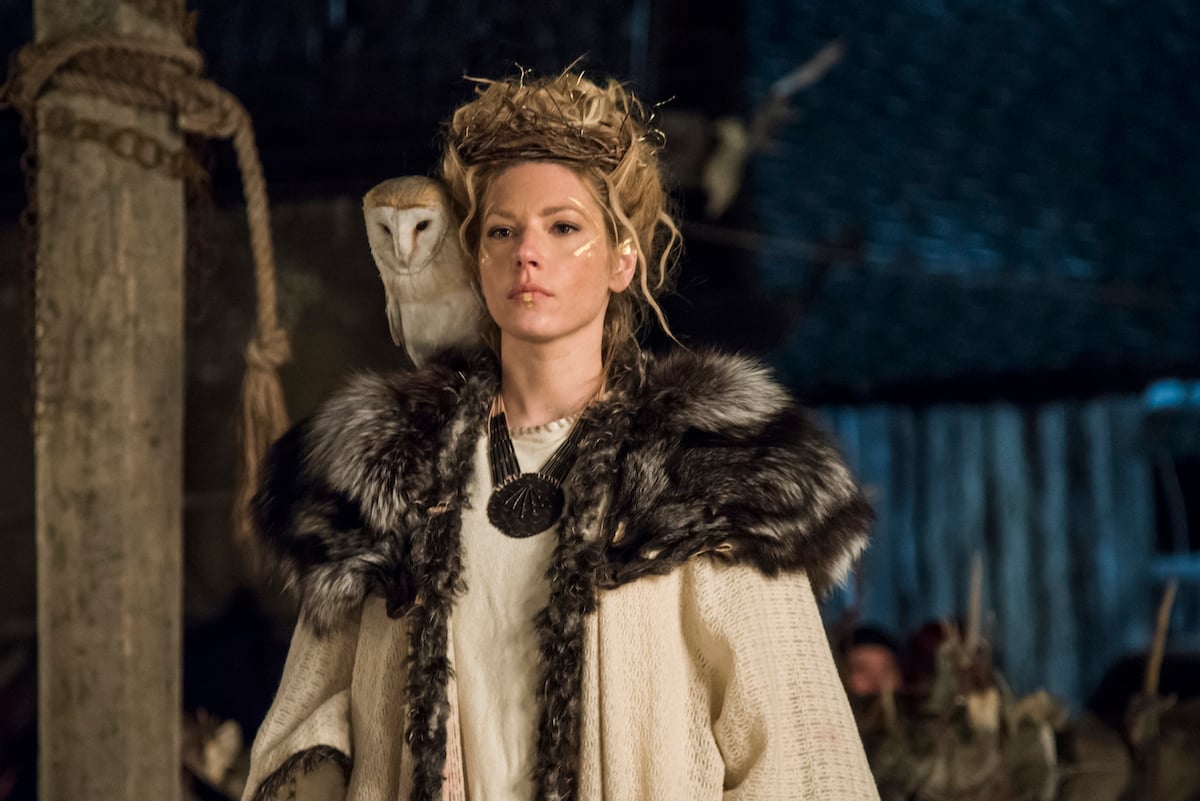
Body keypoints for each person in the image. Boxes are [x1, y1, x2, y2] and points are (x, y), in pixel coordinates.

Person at [242, 68, 879, 801]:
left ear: (622, 259)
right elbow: (308, 721)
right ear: (476, 259)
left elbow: (800, 756)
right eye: (502, 231)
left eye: (564, 227)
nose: (527, 252)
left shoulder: (709, 473)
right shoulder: (387, 475)